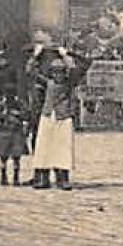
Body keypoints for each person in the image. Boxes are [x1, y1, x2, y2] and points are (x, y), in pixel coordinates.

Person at [27, 46, 88, 191]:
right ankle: (42, 177)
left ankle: (63, 179)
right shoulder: (48, 83)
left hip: (63, 117)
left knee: (63, 149)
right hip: (48, 116)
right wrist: (36, 55)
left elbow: (83, 65)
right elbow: (30, 71)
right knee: (44, 147)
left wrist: (67, 54)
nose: (57, 75)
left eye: (60, 72)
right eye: (54, 72)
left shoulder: (69, 83)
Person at [0, 91, 31, 186]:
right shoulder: (1, 105)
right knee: (3, 157)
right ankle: (3, 176)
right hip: (5, 132)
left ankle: (16, 177)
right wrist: (4, 114)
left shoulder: (20, 104)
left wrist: (17, 114)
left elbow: (27, 115)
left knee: (16, 156)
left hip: (16, 132)